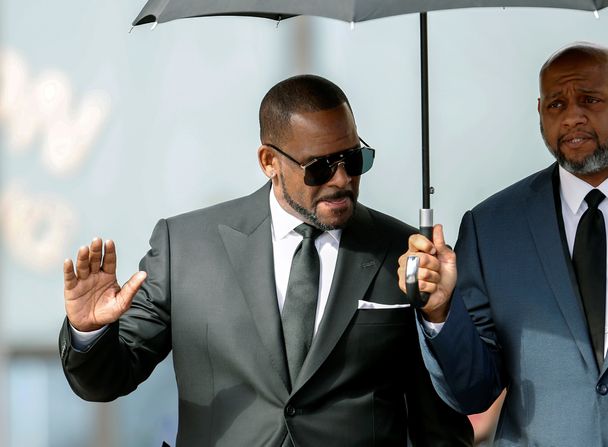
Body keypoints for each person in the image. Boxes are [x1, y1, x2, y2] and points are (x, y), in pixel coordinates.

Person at [59, 74, 472, 446]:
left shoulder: (404, 250)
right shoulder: (186, 246)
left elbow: (439, 424)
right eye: (320, 168)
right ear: (269, 162)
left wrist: (440, 312)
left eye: (353, 159)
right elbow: (109, 378)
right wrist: (88, 331)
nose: (342, 179)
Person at [398, 42, 608, 446]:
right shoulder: (491, 227)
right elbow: (472, 392)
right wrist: (441, 310)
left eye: (589, 99)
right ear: (539, 112)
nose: (572, 117)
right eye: (556, 105)